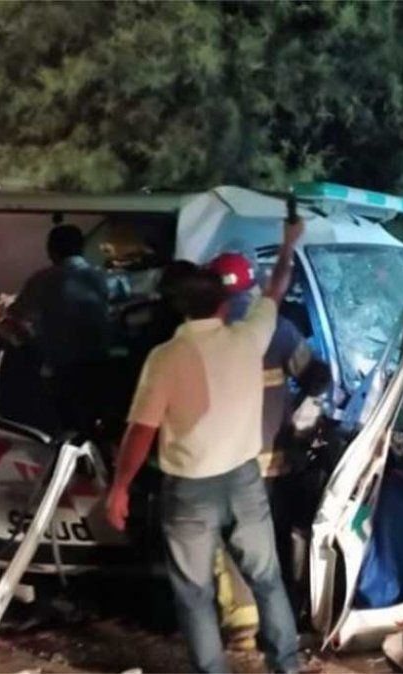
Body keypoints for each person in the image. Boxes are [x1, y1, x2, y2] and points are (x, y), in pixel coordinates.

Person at [105, 217, 305, 673]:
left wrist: (119, 488)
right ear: (224, 303)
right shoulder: (247, 339)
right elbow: (276, 287)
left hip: (190, 490)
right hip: (245, 479)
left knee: (194, 593)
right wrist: (290, 242)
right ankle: (287, 666)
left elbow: (142, 430)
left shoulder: (166, 358)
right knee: (267, 579)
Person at [210, 251, 331, 629]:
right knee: (274, 542)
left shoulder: (204, 332)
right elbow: (317, 377)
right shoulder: (276, 329)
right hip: (273, 462)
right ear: (252, 283)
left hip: (223, 463)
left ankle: (242, 623)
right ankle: (280, 623)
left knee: (231, 545)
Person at [8, 224, 119, 436]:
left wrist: (31, 343)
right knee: (96, 420)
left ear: (51, 250)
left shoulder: (42, 280)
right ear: (82, 248)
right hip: (101, 363)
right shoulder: (104, 278)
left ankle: (70, 462)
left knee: (66, 424)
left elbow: (16, 316)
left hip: (62, 366)